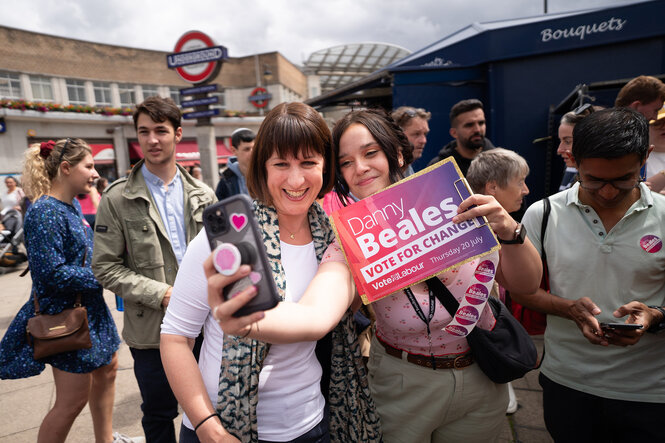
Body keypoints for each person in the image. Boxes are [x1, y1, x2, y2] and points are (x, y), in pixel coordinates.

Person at [209, 109, 542, 443]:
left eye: (371, 153)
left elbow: (526, 286)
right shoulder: (349, 239)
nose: (361, 168)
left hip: (482, 376)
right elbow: (316, 314)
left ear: (397, 153)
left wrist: (512, 231)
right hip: (401, 384)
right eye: (346, 162)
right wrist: (251, 320)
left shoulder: (457, 201)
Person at [161, 102, 381, 443]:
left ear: (326, 167)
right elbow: (176, 337)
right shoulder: (225, 240)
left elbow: (325, 317)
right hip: (222, 429)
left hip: (313, 424)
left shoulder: (336, 240)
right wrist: (207, 426)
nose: (295, 179)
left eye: (308, 163)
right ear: (262, 168)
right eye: (281, 164)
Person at [511, 108, 665, 442]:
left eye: (624, 178)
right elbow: (522, 292)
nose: (608, 192)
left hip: (651, 393)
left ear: (646, 157)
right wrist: (567, 308)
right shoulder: (543, 214)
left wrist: (655, 316)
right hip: (568, 384)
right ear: (574, 159)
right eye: (593, 179)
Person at [92, 96, 216, 443]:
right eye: (143, 132)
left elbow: (224, 256)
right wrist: (162, 294)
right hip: (151, 334)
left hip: (206, 328)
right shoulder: (116, 198)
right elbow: (105, 267)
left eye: (160, 131)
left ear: (178, 134)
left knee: (210, 411)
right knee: (159, 414)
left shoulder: (204, 195)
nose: (152, 140)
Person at [0, 139, 130, 443]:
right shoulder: (45, 211)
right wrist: (104, 276)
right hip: (66, 316)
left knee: (108, 368)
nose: (95, 173)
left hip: (88, 310)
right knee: (72, 401)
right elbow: (51, 274)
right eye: (89, 166)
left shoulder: (68, 206)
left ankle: (105, 439)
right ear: (66, 168)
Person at [466, 147, 530, 414]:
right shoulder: (479, 231)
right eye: (520, 182)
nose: (526, 189)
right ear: (492, 187)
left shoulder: (503, 225)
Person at [428, 99, 496, 175]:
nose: (477, 129)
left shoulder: (501, 163)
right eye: (469, 125)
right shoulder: (438, 168)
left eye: (481, 123)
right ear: (454, 133)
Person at [215, 127, 255, 200]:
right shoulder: (225, 180)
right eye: (247, 149)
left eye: (254, 148)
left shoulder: (268, 174)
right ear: (234, 150)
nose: (252, 153)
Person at [391, 106, 431, 175]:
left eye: (425, 134)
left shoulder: (407, 169)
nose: (424, 141)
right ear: (397, 135)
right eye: (416, 134)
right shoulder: (387, 173)